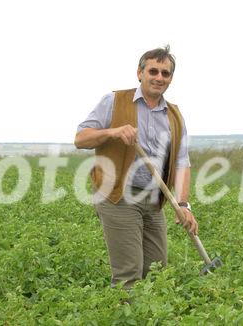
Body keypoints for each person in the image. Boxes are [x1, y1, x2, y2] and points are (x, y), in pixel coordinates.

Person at [74, 45, 198, 289]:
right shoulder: (114, 101)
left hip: (154, 200)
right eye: (153, 71)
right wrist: (113, 132)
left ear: (171, 79)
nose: (159, 77)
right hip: (118, 196)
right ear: (139, 73)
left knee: (156, 270)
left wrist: (183, 205)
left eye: (165, 73)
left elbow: (182, 162)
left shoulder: (174, 116)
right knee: (128, 274)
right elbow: (81, 139)